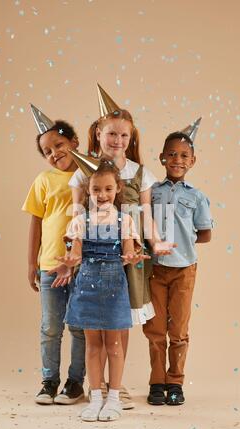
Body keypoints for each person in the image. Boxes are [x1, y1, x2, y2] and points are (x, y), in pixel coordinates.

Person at [70, 103, 172, 408]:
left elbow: (147, 214)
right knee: (93, 324)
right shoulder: (83, 171)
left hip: (129, 255)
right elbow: (75, 214)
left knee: (120, 319)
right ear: (99, 134)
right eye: (112, 133)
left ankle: (117, 385)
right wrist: (70, 250)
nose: (117, 140)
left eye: (124, 135)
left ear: (131, 137)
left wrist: (156, 242)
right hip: (93, 256)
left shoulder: (140, 173)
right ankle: (95, 386)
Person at [57, 160, 150, 421]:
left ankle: (114, 399)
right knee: (92, 345)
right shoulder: (79, 221)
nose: (102, 195)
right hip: (86, 286)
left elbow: (129, 252)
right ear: (88, 191)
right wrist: (68, 262)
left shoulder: (125, 220)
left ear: (118, 188)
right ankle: (95, 398)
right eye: (96, 190)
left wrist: (133, 258)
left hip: (113, 286)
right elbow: (75, 255)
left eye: (108, 189)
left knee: (114, 344)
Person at [143, 123, 213, 406]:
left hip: (184, 270)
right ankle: (157, 382)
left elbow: (205, 233)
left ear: (192, 161)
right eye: (172, 154)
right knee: (155, 328)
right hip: (156, 269)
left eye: (184, 155)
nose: (177, 160)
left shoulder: (196, 197)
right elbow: (144, 223)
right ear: (162, 158)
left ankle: (176, 382)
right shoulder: (153, 192)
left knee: (179, 330)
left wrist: (181, 244)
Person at [22, 105, 85, 405]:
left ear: (74, 142)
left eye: (59, 145)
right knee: (50, 326)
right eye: (47, 151)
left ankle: (75, 383)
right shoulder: (44, 180)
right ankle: (49, 381)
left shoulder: (89, 175)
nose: (54, 153)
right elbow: (35, 221)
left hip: (82, 265)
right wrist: (30, 262)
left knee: (79, 326)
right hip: (50, 265)